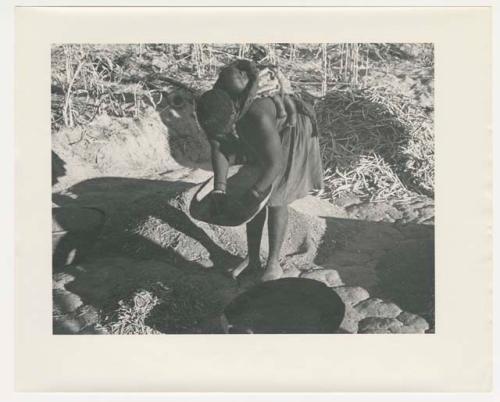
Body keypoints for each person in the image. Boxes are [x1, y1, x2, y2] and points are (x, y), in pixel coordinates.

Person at [196, 59, 323, 281]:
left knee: (274, 197)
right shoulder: (212, 106)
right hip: (264, 133)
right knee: (254, 187)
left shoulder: (256, 115)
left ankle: (273, 264)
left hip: (290, 129)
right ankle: (253, 259)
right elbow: (219, 146)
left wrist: (253, 194)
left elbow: (276, 164)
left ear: (234, 117)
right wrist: (219, 189)